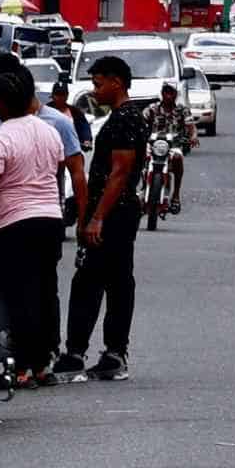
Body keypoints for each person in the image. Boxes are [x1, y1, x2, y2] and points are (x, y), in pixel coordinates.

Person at [0, 59, 68, 386]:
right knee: (44, 290)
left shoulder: (1, 138)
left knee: (18, 294)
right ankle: (44, 363)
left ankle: (23, 367)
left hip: (15, 225)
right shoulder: (48, 130)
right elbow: (55, 170)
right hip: (50, 220)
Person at [66, 51, 152, 381]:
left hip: (116, 213)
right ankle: (111, 353)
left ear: (116, 83)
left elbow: (120, 173)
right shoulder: (120, 117)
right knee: (114, 281)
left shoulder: (126, 119)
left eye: (98, 84)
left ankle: (82, 352)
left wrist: (98, 217)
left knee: (92, 280)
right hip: (116, 210)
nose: (94, 90)